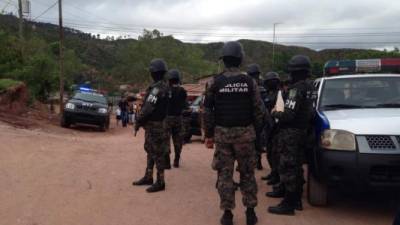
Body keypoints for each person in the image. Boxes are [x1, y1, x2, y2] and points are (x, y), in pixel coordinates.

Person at [203, 41, 266, 225]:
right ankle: (250, 213)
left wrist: (208, 134)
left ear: (224, 60)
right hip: (246, 136)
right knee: (247, 174)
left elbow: (207, 111)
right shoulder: (250, 82)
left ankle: (227, 214)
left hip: (222, 137)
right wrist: (257, 134)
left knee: (224, 176)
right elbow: (259, 111)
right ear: (240, 59)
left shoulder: (215, 82)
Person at [268, 55, 316, 215]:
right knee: (296, 165)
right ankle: (293, 198)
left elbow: (288, 115)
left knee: (288, 166)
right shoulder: (311, 87)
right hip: (303, 130)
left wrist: (275, 112)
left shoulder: (297, 89)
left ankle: (289, 203)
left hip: (291, 133)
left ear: (295, 72)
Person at [132, 59, 169, 193]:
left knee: (157, 153)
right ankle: (148, 176)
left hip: (155, 126)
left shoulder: (157, 89)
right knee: (151, 151)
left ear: (153, 72)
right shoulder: (165, 87)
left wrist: (138, 121)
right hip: (159, 125)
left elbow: (148, 108)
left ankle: (160, 182)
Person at [259, 72, 281, 186]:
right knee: (270, 153)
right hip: (268, 127)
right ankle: (273, 173)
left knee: (276, 154)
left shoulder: (280, 94)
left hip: (276, 128)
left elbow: (280, 112)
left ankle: (277, 176)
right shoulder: (268, 94)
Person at [165, 69, 187, 168]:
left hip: (167, 118)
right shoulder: (182, 91)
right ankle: (177, 159)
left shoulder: (165, 89)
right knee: (178, 140)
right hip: (178, 118)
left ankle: (167, 160)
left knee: (166, 140)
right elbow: (184, 104)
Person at [246, 63, 266, 170]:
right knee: (255, 140)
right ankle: (256, 161)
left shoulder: (251, 84)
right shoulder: (257, 84)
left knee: (253, 140)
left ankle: (256, 161)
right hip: (257, 117)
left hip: (255, 117)